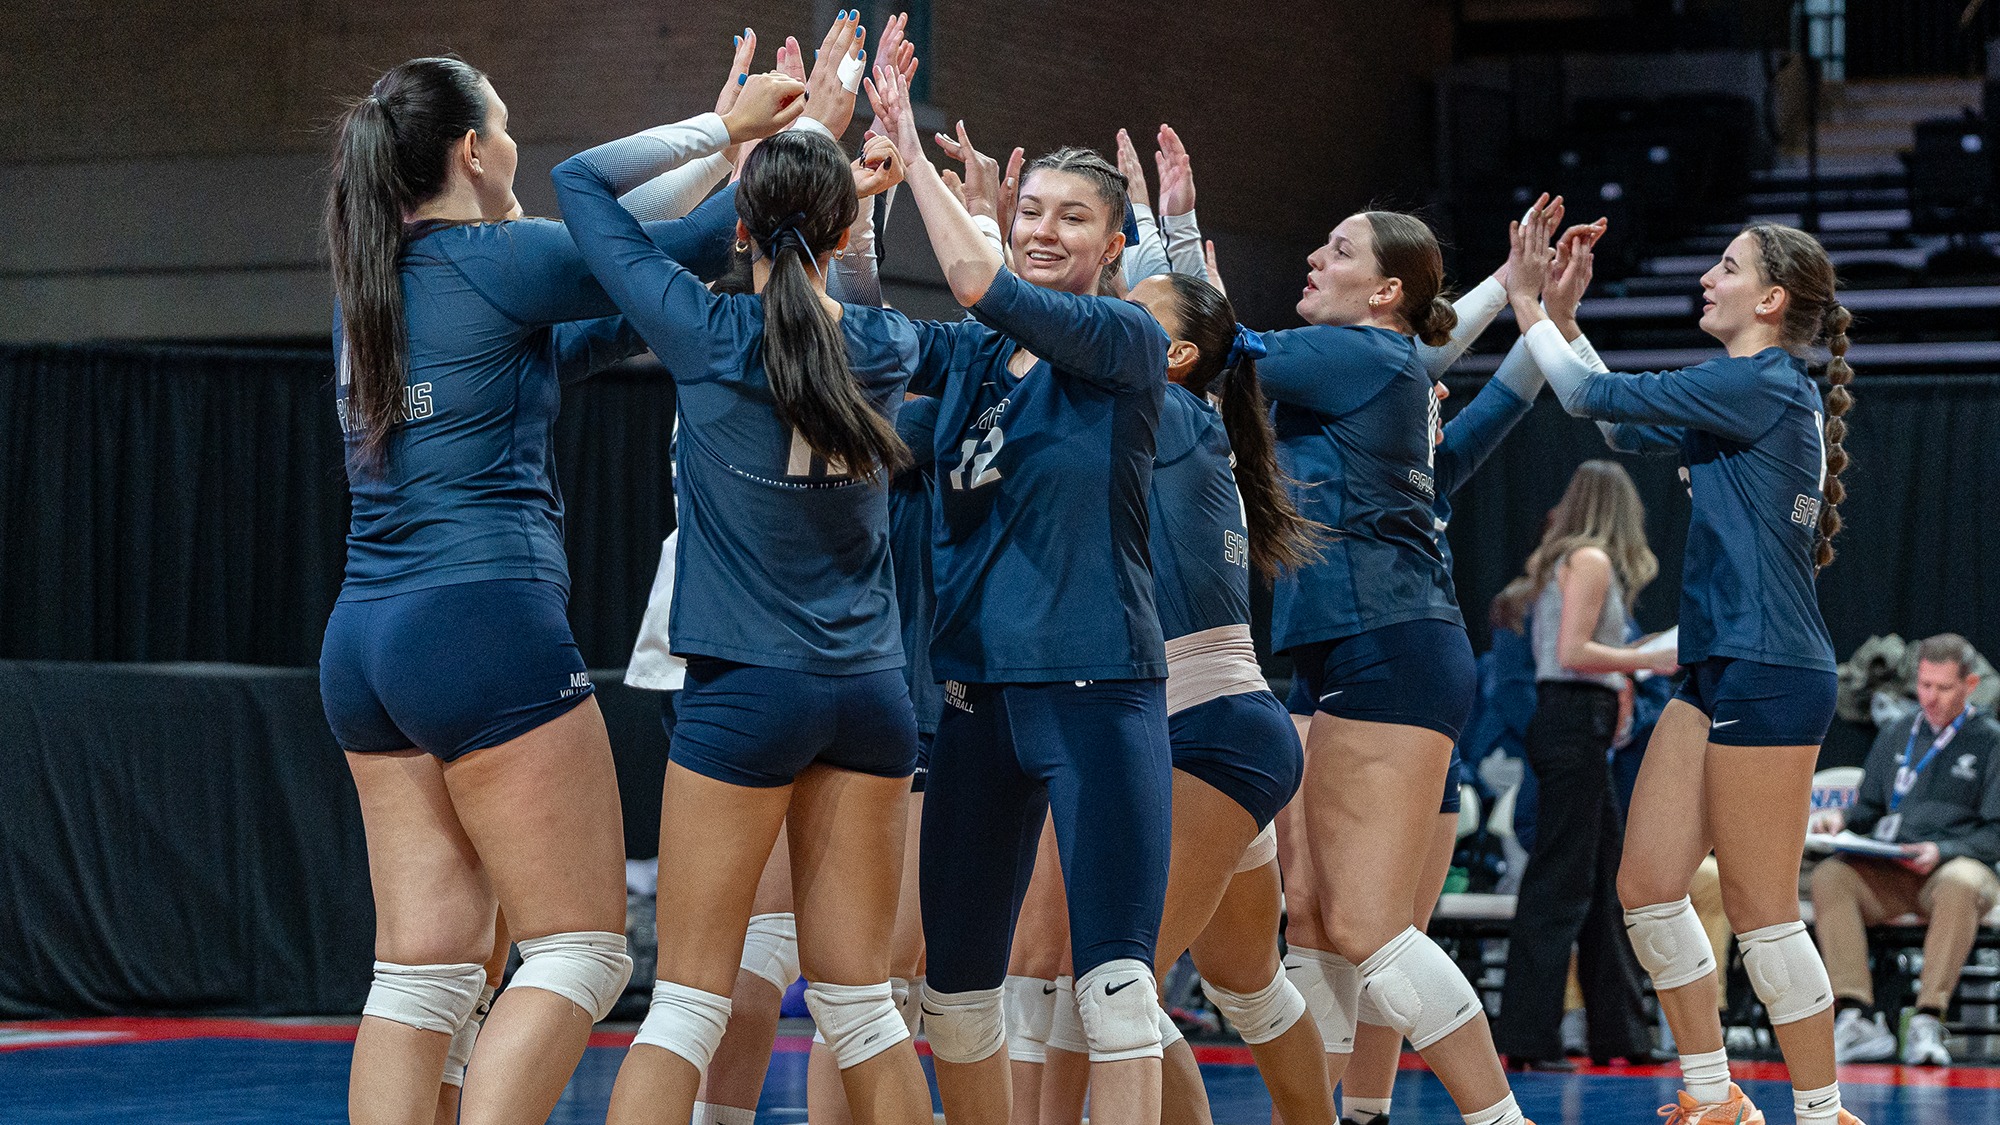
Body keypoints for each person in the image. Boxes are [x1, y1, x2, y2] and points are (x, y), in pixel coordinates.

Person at [320, 54, 756, 1125]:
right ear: (473, 150)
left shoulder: (376, 284)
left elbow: (614, 307)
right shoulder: (489, 258)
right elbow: (672, 249)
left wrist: (723, 157)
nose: (516, 147)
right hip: (480, 625)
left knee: (422, 972)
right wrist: (776, 145)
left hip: (365, 645)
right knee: (580, 951)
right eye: (506, 128)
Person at [551, 43, 935, 1125]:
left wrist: (730, 132)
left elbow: (580, 184)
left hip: (745, 692)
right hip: (869, 697)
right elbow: (842, 300)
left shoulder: (704, 328)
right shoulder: (888, 345)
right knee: (862, 1010)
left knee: (683, 1004)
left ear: (735, 230)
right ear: (849, 232)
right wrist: (843, 179)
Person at [867, 64, 1175, 1125]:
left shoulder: (1126, 339)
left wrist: (909, 151)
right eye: (1030, 208)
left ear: (1111, 245)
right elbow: (864, 344)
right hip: (973, 701)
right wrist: (843, 201)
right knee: (949, 998)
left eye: (1071, 216)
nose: (1045, 228)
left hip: (1094, 691)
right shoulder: (969, 358)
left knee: (1115, 991)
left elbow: (978, 283)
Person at [1512, 207, 1860, 1125]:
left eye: (1728, 264)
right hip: (1716, 667)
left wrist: (1528, 309)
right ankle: (1715, 1096)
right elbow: (1622, 428)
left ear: (1772, 299)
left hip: (1771, 667)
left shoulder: (1763, 382)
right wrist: (1568, 324)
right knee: (1648, 887)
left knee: (1761, 909)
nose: (1709, 275)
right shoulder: (1744, 389)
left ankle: (1824, 1113)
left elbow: (1592, 404)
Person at [1256, 205, 1533, 1125]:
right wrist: (1535, 317)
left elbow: (1210, 343)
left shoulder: (1367, 361)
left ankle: (1480, 1116)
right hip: (1346, 649)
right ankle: (1337, 1114)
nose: (1312, 254)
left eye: (1337, 248)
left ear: (1384, 290)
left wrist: (1161, 234)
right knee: (1320, 912)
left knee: (1372, 924)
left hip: (1394, 647)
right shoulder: (1387, 392)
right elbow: (1482, 406)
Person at [1492, 460, 1677, 1070]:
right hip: (1572, 721)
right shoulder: (1593, 559)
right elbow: (1572, 653)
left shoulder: (1568, 560)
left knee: (1602, 884)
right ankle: (1526, 1037)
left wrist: (1625, 674)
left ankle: (1621, 1034)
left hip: (1575, 722)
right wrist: (1648, 660)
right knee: (1562, 885)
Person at [1810, 632, 2000, 1066]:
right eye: (1924, 685)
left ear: (1970, 686)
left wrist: (1943, 848)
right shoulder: (1898, 732)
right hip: (1895, 867)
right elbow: (1870, 808)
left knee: (1960, 882)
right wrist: (1841, 821)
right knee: (1831, 875)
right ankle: (1858, 1016)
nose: (1930, 698)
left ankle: (1928, 1018)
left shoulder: (1990, 740)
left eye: (1943, 688)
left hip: (1957, 868)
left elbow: (1995, 833)